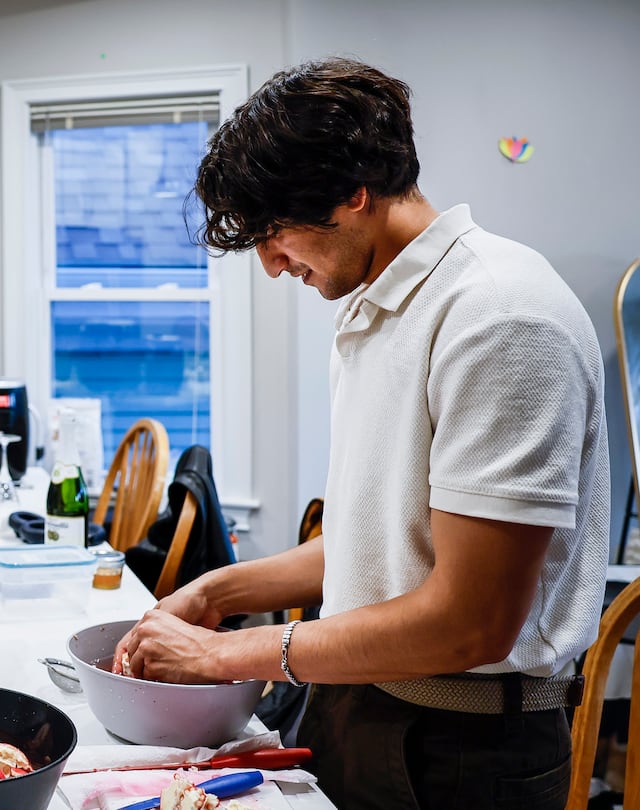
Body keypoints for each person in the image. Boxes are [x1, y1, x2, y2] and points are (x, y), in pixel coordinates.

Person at [113, 57, 607, 809]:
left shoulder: (501, 317)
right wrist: (218, 589)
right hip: (359, 701)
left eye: (276, 232)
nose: (274, 265)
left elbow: (471, 624)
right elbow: (380, 542)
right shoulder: (375, 307)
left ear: (355, 193)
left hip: (463, 747)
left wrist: (225, 653)